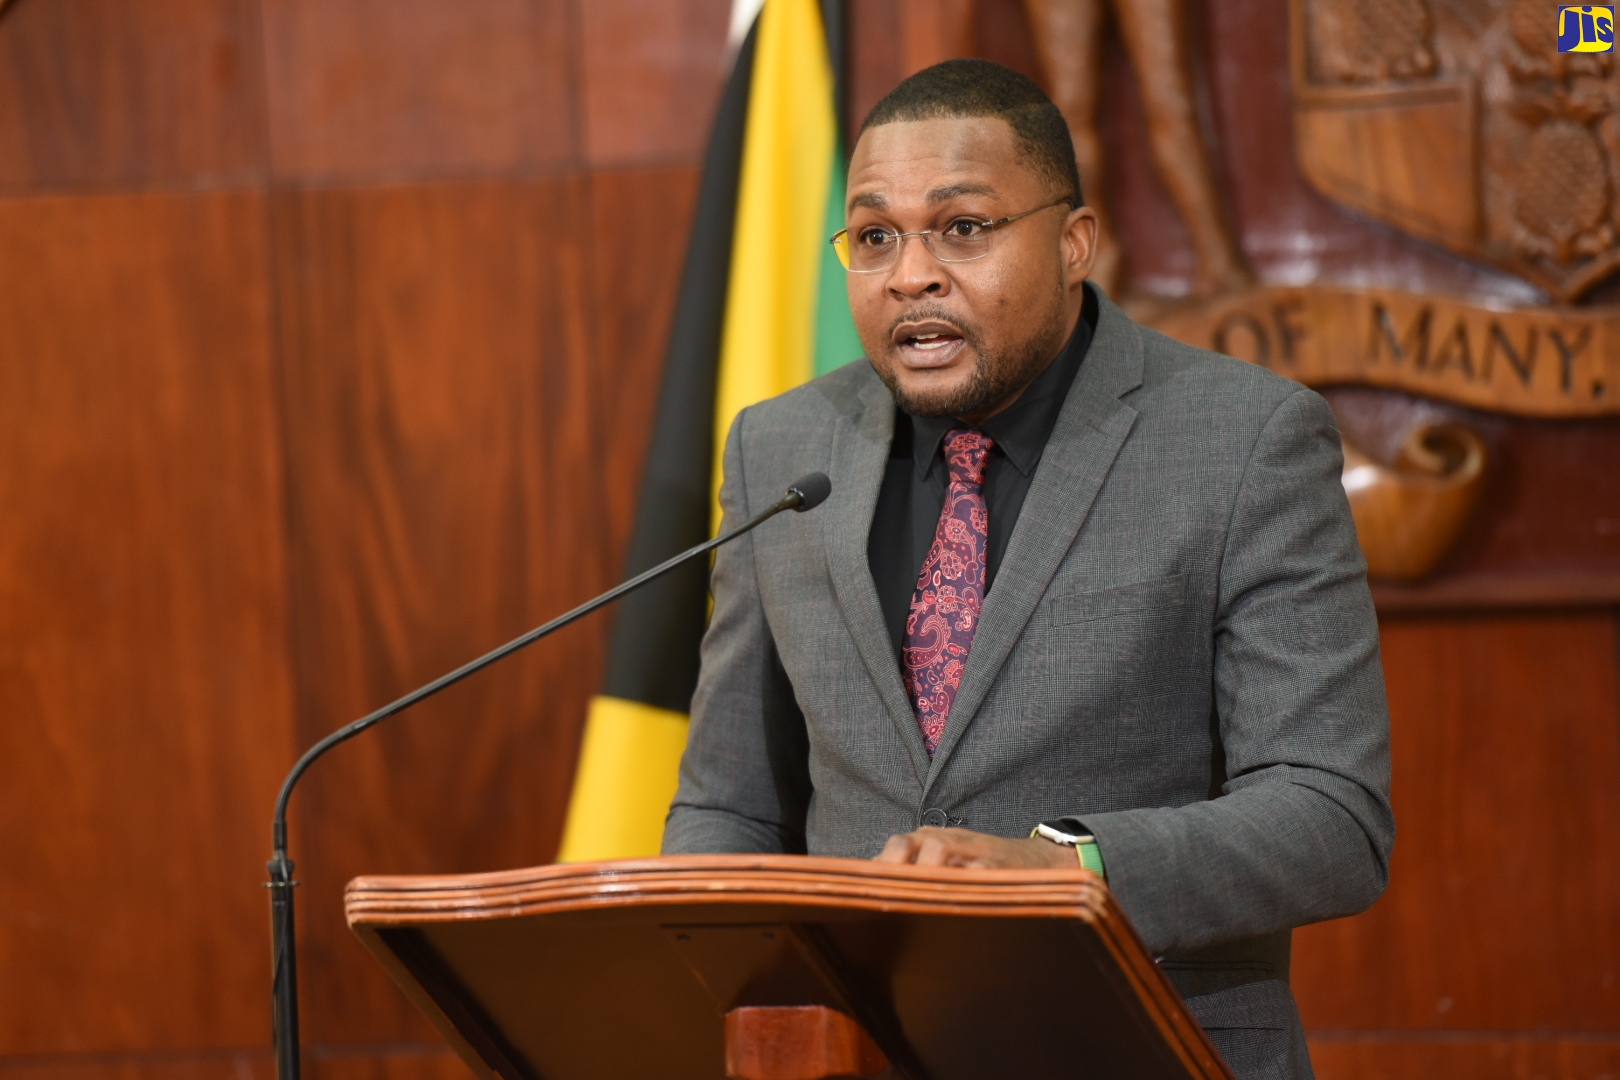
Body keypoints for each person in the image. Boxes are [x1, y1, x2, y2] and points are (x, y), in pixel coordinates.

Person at [662, 58, 1392, 1080]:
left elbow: (1330, 818)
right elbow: (730, 806)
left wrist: (1061, 871)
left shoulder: (1242, 438)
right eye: (875, 237)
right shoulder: (783, 450)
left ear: (1073, 244)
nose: (910, 273)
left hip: (1144, 1050)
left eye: (962, 228)